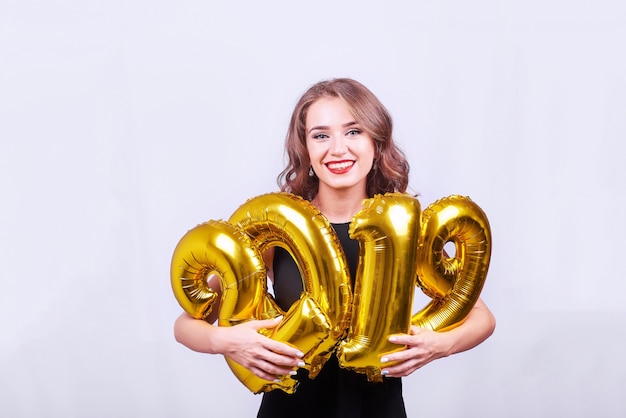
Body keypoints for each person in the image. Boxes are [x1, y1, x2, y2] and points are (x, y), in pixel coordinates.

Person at [174, 78, 496, 417]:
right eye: (321, 135)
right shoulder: (275, 234)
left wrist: (438, 345)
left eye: (353, 131)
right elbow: (185, 326)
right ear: (306, 149)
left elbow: (482, 317)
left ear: (376, 141)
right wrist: (228, 342)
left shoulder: (401, 231)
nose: (338, 149)